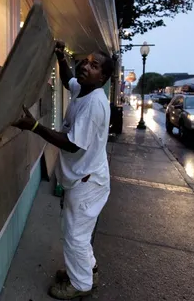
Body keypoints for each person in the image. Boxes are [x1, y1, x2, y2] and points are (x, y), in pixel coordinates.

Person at [13, 41, 114, 299]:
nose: (85, 66)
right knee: (79, 232)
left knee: (75, 236)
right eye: (86, 61)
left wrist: (35, 127)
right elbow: (69, 79)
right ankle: (87, 270)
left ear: (102, 77)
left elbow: (71, 144)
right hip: (85, 177)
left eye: (94, 65)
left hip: (87, 182)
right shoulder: (83, 90)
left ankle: (80, 285)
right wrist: (60, 55)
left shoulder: (93, 104)